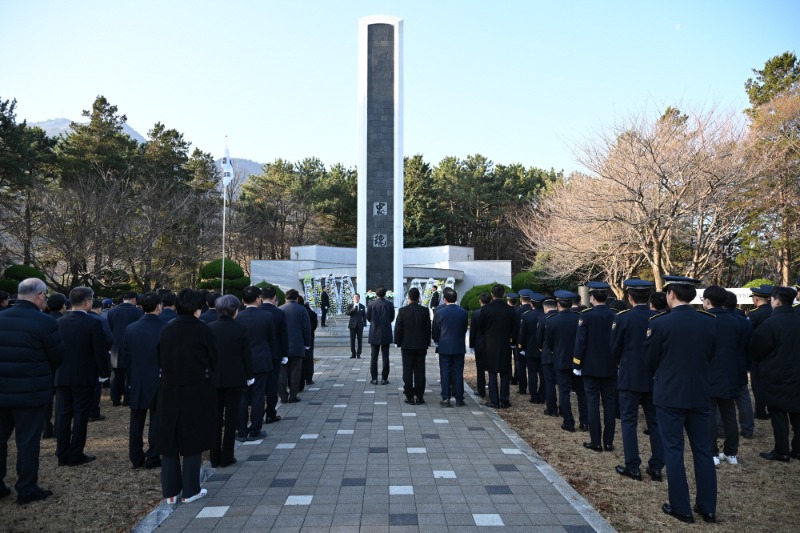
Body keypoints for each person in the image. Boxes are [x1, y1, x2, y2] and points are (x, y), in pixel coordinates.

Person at [644, 275, 717, 524]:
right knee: (703, 451)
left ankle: (681, 507)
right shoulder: (708, 322)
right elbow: (712, 354)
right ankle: (708, 507)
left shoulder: (660, 323)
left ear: (671, 294)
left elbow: (650, 359)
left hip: (670, 392)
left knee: (673, 450)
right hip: (699, 391)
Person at [0, 278, 64, 504]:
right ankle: (26, 489)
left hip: (3, 390)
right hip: (30, 391)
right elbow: (57, 356)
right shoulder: (44, 322)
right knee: (27, 442)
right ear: (39, 295)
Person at [156, 288, 217, 505]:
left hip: (169, 389)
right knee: (193, 438)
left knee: (170, 438)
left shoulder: (167, 329)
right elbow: (213, 359)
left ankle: (171, 492)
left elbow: (159, 358)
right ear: (197, 308)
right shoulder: (203, 330)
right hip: (196, 389)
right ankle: (190, 490)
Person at [611, 279, 663, 482]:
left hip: (630, 376)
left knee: (629, 422)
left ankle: (633, 465)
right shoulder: (659, 317)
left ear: (629, 297)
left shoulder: (623, 318)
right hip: (654, 377)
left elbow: (614, 349)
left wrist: (620, 365)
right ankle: (657, 465)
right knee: (655, 423)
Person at [55, 287, 110, 467]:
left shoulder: (58, 322)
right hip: (84, 375)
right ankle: (75, 452)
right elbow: (99, 351)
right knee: (80, 414)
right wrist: (104, 372)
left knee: (63, 414)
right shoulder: (93, 323)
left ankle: (62, 452)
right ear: (88, 302)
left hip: (62, 374)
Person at [750, 286, 800, 462]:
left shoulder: (771, 324)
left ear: (777, 301)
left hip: (776, 375)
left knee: (778, 414)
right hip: (796, 375)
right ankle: (798, 449)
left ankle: (781, 450)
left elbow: (757, 350)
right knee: (797, 413)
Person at [120, 292, 165, 469]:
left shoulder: (131, 328)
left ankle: (135, 456)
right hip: (158, 378)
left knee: (136, 421)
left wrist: (129, 379)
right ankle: (153, 455)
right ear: (158, 307)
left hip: (137, 378)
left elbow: (126, 357)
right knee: (156, 420)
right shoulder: (165, 327)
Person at [208, 295, 253, 467]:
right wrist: (250, 376)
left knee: (215, 418)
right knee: (231, 418)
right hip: (235, 378)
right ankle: (227, 456)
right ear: (235, 310)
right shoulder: (240, 329)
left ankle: (214, 456)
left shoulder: (210, 328)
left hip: (214, 378)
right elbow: (246, 356)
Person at [574, 281, 618, 452]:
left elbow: (581, 343)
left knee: (592, 403)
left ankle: (596, 441)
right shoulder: (615, 315)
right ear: (607, 298)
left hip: (591, 366)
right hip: (610, 366)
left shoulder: (586, 316)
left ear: (592, 298)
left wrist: (577, 363)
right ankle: (608, 441)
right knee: (609, 403)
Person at [701, 285, 741, 466]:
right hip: (730, 372)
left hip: (708, 372)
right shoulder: (737, 320)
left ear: (707, 301)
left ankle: (712, 452)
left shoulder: (705, 320)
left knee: (709, 414)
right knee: (729, 414)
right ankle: (731, 451)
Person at [235, 286, 275, 440]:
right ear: (258, 299)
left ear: (243, 300)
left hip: (242, 363)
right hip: (261, 361)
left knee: (242, 396)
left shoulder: (238, 317)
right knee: (258, 396)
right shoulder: (266, 316)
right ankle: (255, 429)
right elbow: (271, 339)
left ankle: (242, 429)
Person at [546, 290, 586, 431]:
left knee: (563, 392)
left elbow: (549, 343)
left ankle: (569, 421)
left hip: (561, 359)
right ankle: (584, 421)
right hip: (578, 360)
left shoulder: (552, 321)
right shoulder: (580, 318)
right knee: (581, 392)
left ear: (558, 304)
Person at [478, 284, 516, 409]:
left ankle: (494, 400)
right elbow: (514, 328)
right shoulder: (510, 310)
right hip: (505, 343)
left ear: (492, 294)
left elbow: (481, 328)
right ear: (504, 294)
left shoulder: (486, 309)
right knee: (505, 372)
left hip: (490, 344)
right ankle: (504, 399)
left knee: (492, 372)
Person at [723, 291, 754, 440]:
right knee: (743, 397)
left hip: (721, 366)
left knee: (719, 399)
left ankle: (720, 428)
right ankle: (748, 428)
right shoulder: (745, 321)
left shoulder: (716, 320)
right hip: (740, 363)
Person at [432, 287, 469, 407]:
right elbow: (464, 329)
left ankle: (446, 397)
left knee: (445, 372)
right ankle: (459, 398)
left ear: (445, 299)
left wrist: (438, 341)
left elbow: (435, 332)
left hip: (444, 346)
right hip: (459, 346)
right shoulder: (463, 312)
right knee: (458, 372)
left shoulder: (439, 312)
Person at [394, 288, 431, 405]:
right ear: (419, 298)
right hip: (421, 345)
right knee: (420, 371)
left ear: (409, 298)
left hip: (407, 345)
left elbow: (398, 328)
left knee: (407, 370)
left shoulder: (402, 311)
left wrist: (398, 342)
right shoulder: (425, 311)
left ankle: (409, 396)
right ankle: (419, 396)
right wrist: (427, 342)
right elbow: (427, 329)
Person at [107, 291, 142, 407]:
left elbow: (110, 329)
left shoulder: (111, 312)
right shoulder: (137, 312)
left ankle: (115, 399)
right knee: (129, 375)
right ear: (134, 300)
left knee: (116, 375)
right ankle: (127, 399)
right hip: (131, 346)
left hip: (115, 347)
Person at [260, 286, 287, 424]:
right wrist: (284, 354)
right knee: (272, 385)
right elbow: (283, 336)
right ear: (274, 297)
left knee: (258, 387)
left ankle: (256, 416)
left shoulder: (256, 312)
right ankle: (271, 413)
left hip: (256, 355)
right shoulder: (279, 313)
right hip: (274, 354)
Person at [279, 289, 312, 402]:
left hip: (282, 347)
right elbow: (307, 329)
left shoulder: (279, 309)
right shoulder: (302, 309)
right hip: (298, 346)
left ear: (285, 298)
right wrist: (307, 344)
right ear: (297, 298)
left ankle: (283, 396)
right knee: (295, 373)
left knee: (282, 373)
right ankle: (293, 396)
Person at [747, 284, 774, 420]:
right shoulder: (774, 312)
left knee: (757, 384)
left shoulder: (754, 314)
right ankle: (773, 408)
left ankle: (760, 410)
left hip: (758, 355)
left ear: (756, 299)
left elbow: (750, 335)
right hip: (774, 354)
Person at [519, 290, 545, 404]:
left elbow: (522, 334)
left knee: (532, 374)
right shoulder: (546, 316)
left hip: (530, 349)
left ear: (532, 304)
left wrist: (521, 347)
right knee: (543, 374)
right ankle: (542, 395)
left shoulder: (526, 316)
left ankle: (534, 396)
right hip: (544, 350)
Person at [366, 286, 395, 385]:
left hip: (374, 332)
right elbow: (392, 318)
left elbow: (368, 318)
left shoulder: (371, 304)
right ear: (385, 294)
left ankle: (374, 379)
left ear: (376, 294)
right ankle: (384, 378)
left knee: (374, 356)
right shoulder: (390, 304)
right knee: (385, 356)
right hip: (386, 332)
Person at [536, 298, 559, 416]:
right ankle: (564, 409)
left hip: (547, 355)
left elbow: (539, 339)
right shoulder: (562, 318)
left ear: (545, 308)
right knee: (562, 385)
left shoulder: (543, 319)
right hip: (562, 356)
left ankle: (552, 408)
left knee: (549, 383)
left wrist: (541, 348)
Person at [469, 293, 491, 398]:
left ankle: (481, 390)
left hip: (479, 344)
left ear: (480, 301)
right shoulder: (493, 313)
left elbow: (473, 331)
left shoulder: (476, 313)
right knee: (492, 368)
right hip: (491, 344)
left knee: (480, 368)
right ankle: (492, 388)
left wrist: (471, 344)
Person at [298, 294, 317, 387]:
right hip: (309, 339)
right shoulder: (311, 313)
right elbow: (313, 326)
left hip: (297, 340)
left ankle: (300, 380)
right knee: (308, 359)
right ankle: (308, 378)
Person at [346, 293, 367, 359]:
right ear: (353, 298)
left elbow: (364, 316)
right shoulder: (350, 305)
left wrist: (364, 324)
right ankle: (353, 353)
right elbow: (347, 313)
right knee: (352, 340)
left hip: (360, 326)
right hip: (352, 325)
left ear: (359, 298)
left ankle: (358, 354)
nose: (356, 298)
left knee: (360, 340)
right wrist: (353, 308)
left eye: (357, 297)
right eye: (355, 297)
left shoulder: (362, 306)